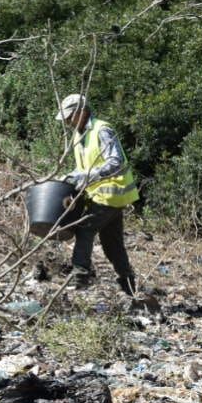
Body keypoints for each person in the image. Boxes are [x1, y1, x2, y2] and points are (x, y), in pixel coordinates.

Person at [57, 93, 138, 296]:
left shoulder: (102, 130)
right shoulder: (79, 136)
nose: (67, 121)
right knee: (113, 244)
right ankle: (129, 288)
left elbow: (115, 162)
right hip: (104, 196)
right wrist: (69, 177)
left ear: (82, 112)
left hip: (111, 194)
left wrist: (87, 176)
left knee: (84, 230)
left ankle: (80, 277)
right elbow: (83, 167)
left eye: (70, 117)